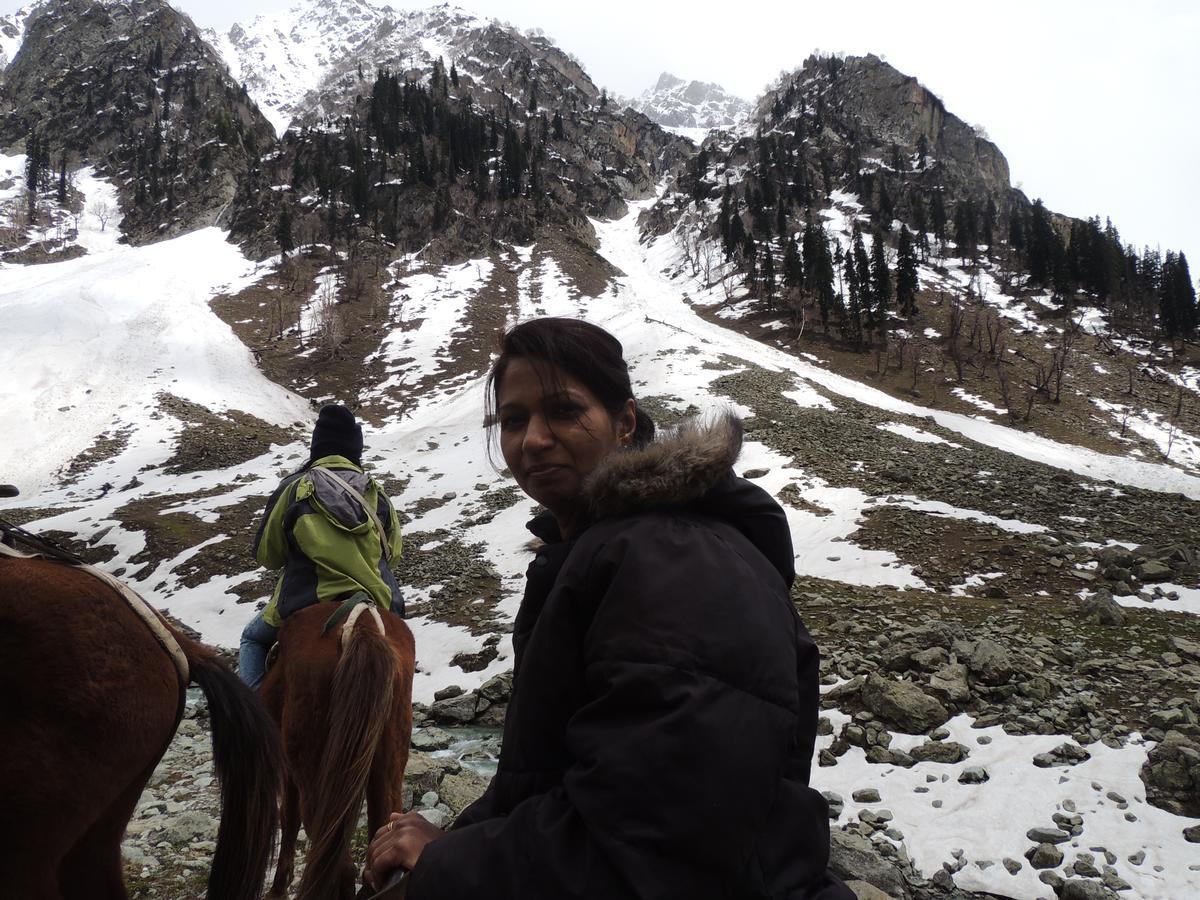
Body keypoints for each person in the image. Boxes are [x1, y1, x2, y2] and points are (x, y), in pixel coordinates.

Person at [364, 318, 851, 898]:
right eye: (514, 420)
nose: (533, 439)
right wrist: (456, 839)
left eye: (563, 411)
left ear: (624, 423)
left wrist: (449, 862)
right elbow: (551, 779)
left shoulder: (671, 559)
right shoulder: (607, 549)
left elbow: (652, 845)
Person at [238, 403, 404, 691]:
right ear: (355, 449)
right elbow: (395, 555)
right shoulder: (378, 496)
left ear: (317, 447)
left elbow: (268, 556)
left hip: (305, 601)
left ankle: (255, 720)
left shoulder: (294, 489)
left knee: (252, 639)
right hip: (376, 602)